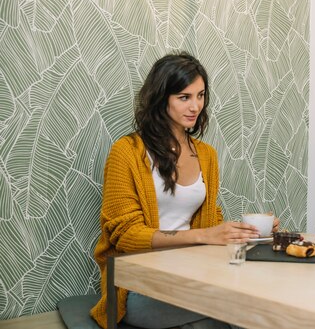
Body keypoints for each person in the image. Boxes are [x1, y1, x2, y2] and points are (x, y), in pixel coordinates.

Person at [90, 52, 278, 329]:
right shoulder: (127, 152)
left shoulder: (207, 155)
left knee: (251, 298)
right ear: (161, 98)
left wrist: (249, 232)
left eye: (200, 96)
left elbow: (210, 223)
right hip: (137, 285)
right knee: (238, 312)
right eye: (184, 97)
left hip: (195, 273)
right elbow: (125, 235)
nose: (195, 106)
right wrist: (203, 236)